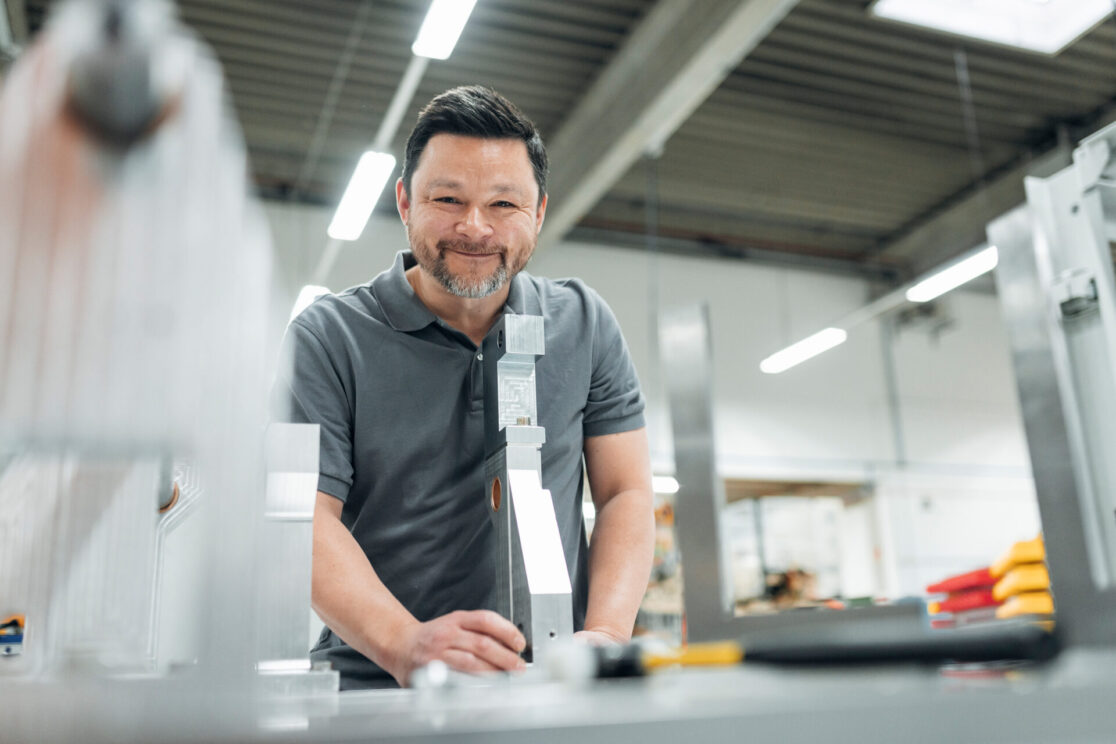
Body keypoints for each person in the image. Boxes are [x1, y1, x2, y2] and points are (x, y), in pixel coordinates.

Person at [273, 86, 654, 689]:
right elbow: (305, 518)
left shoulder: (583, 323)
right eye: (447, 198)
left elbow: (625, 493)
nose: (474, 227)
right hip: (377, 684)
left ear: (539, 212)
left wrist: (606, 633)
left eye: (503, 203)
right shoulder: (328, 337)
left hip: (550, 682)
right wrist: (405, 645)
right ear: (404, 202)